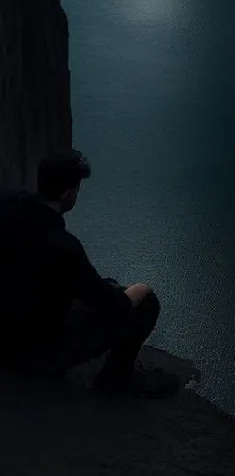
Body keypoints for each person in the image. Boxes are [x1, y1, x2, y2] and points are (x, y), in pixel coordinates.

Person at [0, 149, 180, 397]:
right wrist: (136, 292)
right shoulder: (64, 248)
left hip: (7, 338)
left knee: (95, 286)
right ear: (69, 194)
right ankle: (116, 380)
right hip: (38, 357)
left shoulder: (7, 208)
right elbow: (112, 305)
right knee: (144, 300)